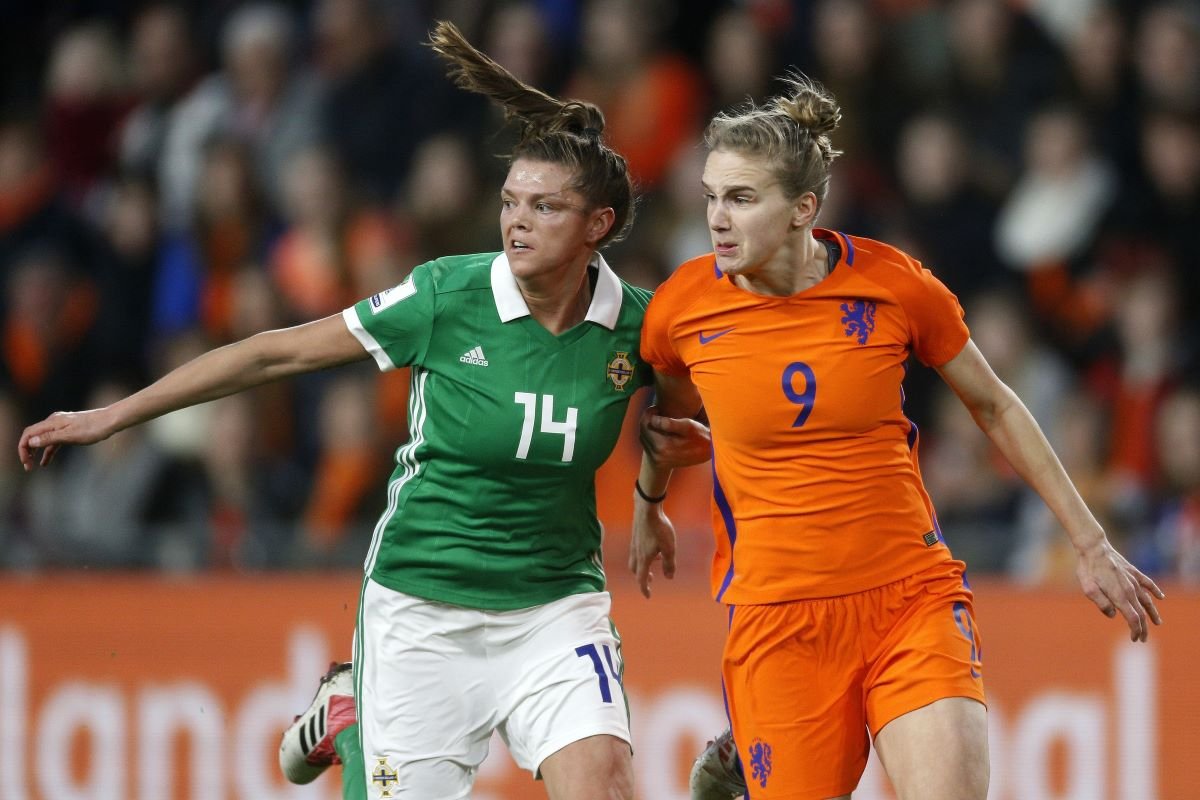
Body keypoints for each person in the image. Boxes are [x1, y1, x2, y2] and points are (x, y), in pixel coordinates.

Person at [19, 21, 651, 800]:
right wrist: (112, 416)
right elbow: (274, 353)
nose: (516, 222)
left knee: (610, 786)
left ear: (599, 226)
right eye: (509, 201)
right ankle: (349, 718)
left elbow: (684, 407)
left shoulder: (637, 324)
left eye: (545, 207)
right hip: (424, 607)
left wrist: (653, 497)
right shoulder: (447, 296)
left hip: (556, 606)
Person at [628, 74, 1165, 800]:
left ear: (803, 210)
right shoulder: (681, 309)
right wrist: (648, 505)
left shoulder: (892, 284)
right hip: (777, 622)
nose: (717, 219)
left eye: (742, 198)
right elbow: (667, 423)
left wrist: (1091, 544)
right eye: (710, 196)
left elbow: (996, 405)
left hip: (907, 600)